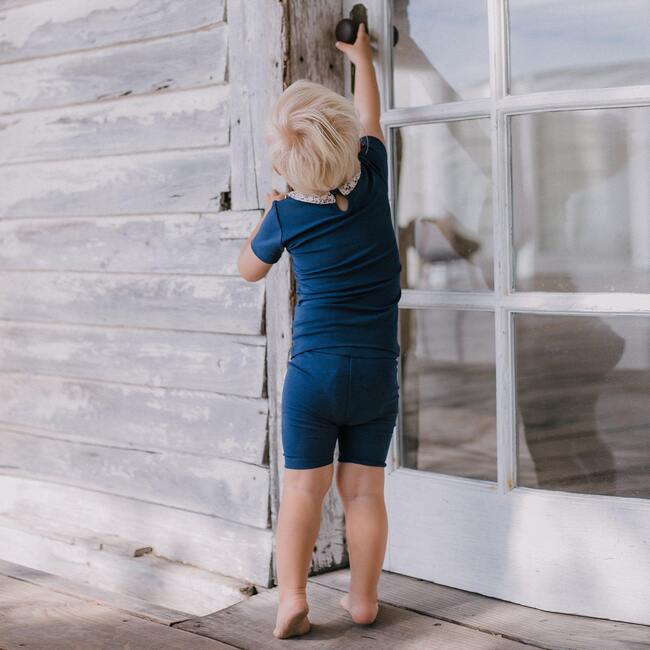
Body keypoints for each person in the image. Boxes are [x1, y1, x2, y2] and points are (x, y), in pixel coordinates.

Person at [237, 23, 401, 639]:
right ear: (347, 148)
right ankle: (362, 600)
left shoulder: (286, 213)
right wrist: (362, 59)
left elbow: (249, 271)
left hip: (313, 375)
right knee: (364, 493)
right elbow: (368, 117)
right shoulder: (373, 174)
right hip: (375, 371)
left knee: (304, 492)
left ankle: (292, 598)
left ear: (286, 166)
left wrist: (272, 207)